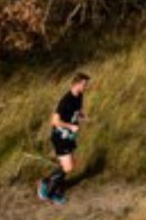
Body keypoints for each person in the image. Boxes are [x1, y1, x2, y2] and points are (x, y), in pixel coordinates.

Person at [38, 72, 90, 205]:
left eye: (86, 84)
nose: (86, 86)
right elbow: (54, 121)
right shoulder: (65, 100)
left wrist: (82, 116)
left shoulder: (79, 95)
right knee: (67, 167)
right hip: (60, 137)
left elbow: (76, 110)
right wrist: (71, 126)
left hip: (69, 137)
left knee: (70, 165)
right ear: (76, 84)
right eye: (84, 84)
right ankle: (48, 192)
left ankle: (48, 182)